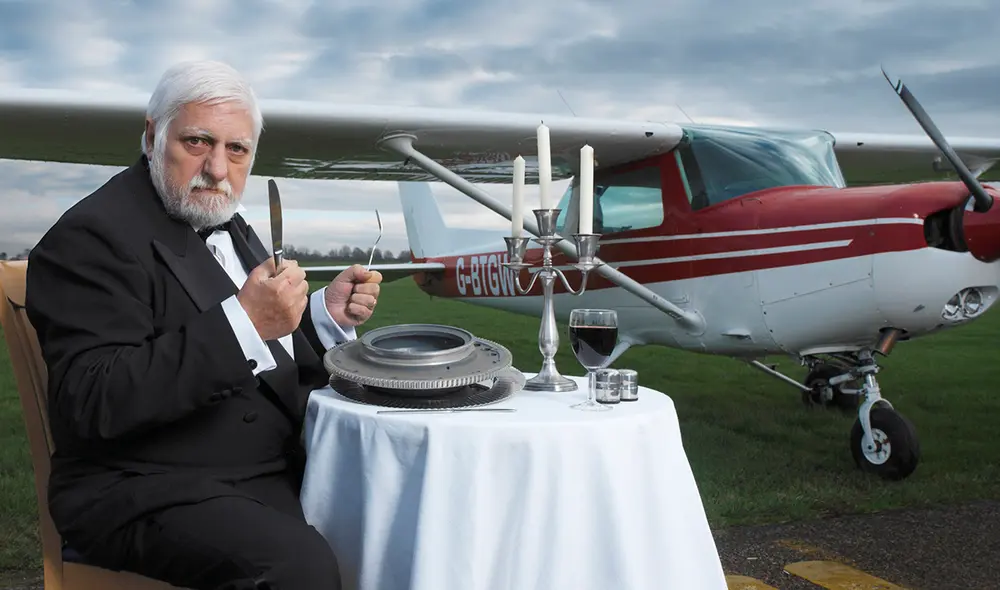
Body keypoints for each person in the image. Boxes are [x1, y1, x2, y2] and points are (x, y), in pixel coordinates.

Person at [24, 60, 381, 590]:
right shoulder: (89, 236)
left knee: (403, 506)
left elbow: (265, 352)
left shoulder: (226, 222)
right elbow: (91, 400)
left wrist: (323, 317)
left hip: (259, 469)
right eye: (197, 142)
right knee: (295, 566)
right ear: (152, 136)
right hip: (142, 485)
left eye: (236, 150)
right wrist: (244, 321)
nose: (217, 168)